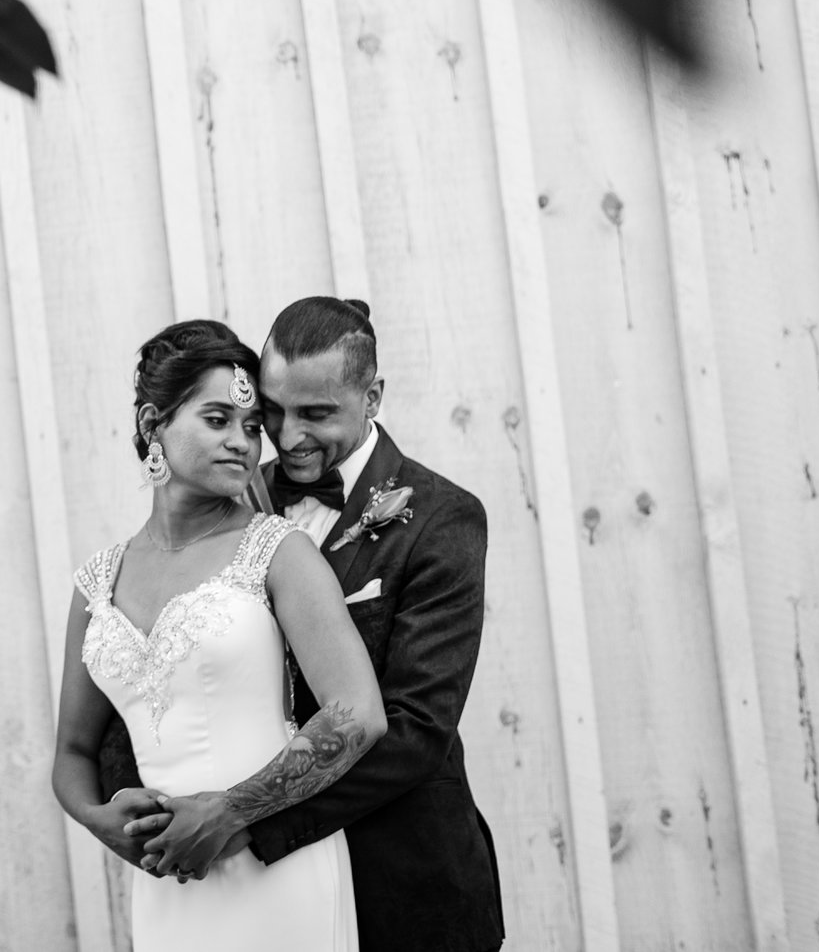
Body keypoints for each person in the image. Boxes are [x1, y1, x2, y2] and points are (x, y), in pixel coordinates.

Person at [161, 295, 505, 952]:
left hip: (403, 886)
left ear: (372, 396)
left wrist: (246, 818)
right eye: (272, 410)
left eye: (317, 413)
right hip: (262, 899)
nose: (288, 437)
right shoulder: (227, 499)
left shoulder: (443, 518)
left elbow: (415, 729)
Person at [53, 319, 382, 952]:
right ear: (154, 424)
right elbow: (71, 750)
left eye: (252, 427)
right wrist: (99, 822)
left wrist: (231, 810)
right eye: (217, 420)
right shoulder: (96, 581)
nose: (244, 443)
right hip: (165, 881)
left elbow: (358, 715)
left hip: (273, 867)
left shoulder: (278, 552)